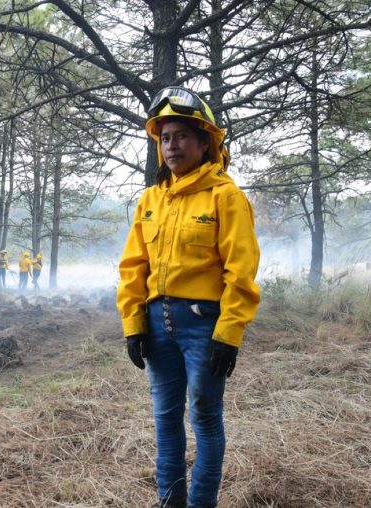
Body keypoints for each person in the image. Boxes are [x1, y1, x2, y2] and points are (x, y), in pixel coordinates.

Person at [116, 86, 260, 508]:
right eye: (164, 138)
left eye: (181, 136)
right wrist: (133, 325)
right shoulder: (150, 199)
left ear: (205, 143)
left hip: (205, 325)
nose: (171, 145)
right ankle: (169, 503)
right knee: (165, 423)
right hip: (157, 325)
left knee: (205, 418)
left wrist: (228, 334)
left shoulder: (226, 197)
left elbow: (242, 271)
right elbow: (132, 268)